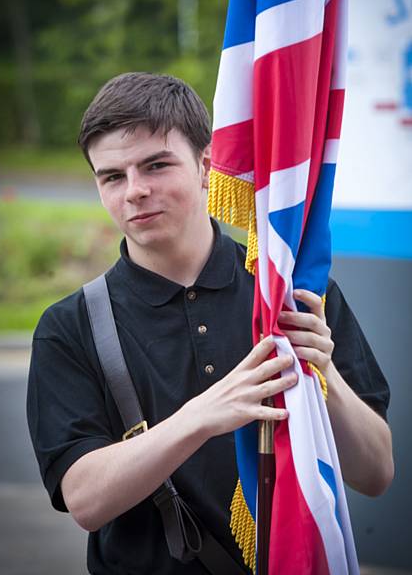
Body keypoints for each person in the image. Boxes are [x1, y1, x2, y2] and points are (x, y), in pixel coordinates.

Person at [27, 72, 394, 575]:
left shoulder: (292, 295)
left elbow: (376, 473)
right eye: (112, 176)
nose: (134, 191)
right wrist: (203, 415)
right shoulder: (68, 326)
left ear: (206, 166)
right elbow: (86, 501)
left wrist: (323, 374)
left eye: (156, 165)